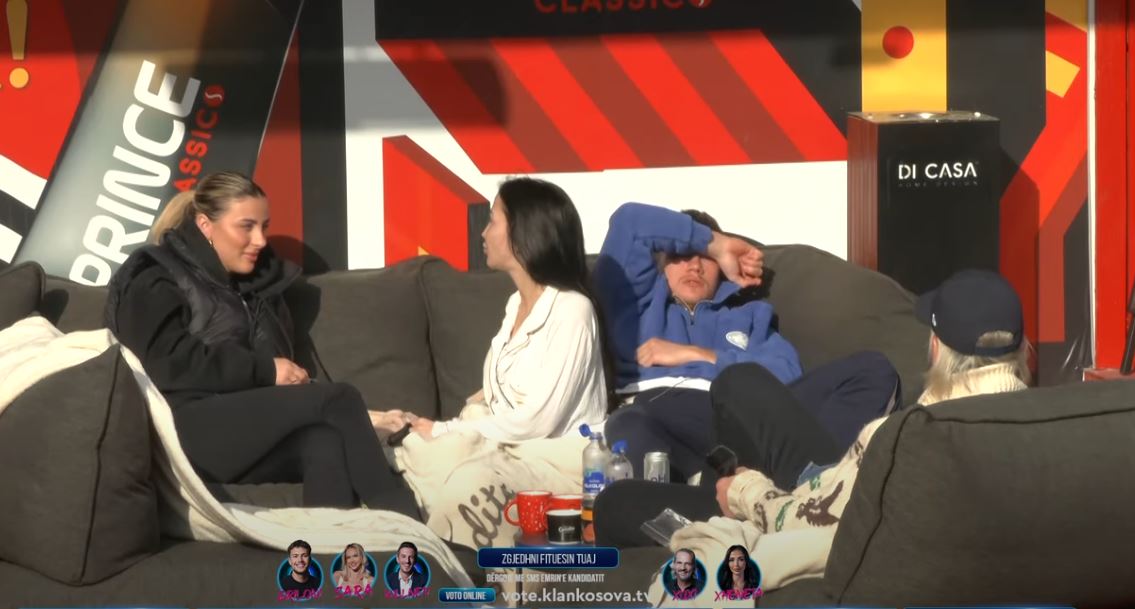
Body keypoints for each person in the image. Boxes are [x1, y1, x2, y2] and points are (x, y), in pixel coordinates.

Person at [602, 269, 1031, 556]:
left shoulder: (906, 438)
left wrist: (745, 491)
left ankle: (717, 483)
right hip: (824, 485)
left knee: (615, 503)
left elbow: (821, 522)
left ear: (937, 347)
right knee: (743, 383)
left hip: (798, 518)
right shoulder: (1041, 426)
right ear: (1021, 349)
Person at [105, 171, 418, 514]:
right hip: (180, 426)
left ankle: (326, 544)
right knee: (340, 398)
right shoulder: (155, 274)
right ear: (205, 225)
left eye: (264, 227)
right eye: (247, 227)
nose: (260, 240)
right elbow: (166, 362)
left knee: (322, 441)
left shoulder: (249, 290)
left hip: (234, 426)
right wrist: (267, 371)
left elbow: (268, 374)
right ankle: (403, 523)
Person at [593, 202, 899, 483]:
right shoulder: (635, 306)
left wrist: (700, 355)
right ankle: (676, 504)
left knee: (873, 369)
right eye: (682, 255)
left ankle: (816, 484)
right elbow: (629, 223)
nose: (695, 266)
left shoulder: (751, 315)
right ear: (662, 263)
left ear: (721, 270)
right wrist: (716, 245)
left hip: (743, 418)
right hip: (658, 413)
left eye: (707, 258)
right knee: (629, 422)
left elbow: (785, 374)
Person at [372, 177, 609, 442]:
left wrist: (443, 431)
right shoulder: (515, 304)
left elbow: (537, 422)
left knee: (423, 452)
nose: (483, 233)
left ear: (523, 233)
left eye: (493, 222)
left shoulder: (572, 310)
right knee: (405, 441)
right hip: (509, 446)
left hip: (554, 453)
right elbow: (498, 401)